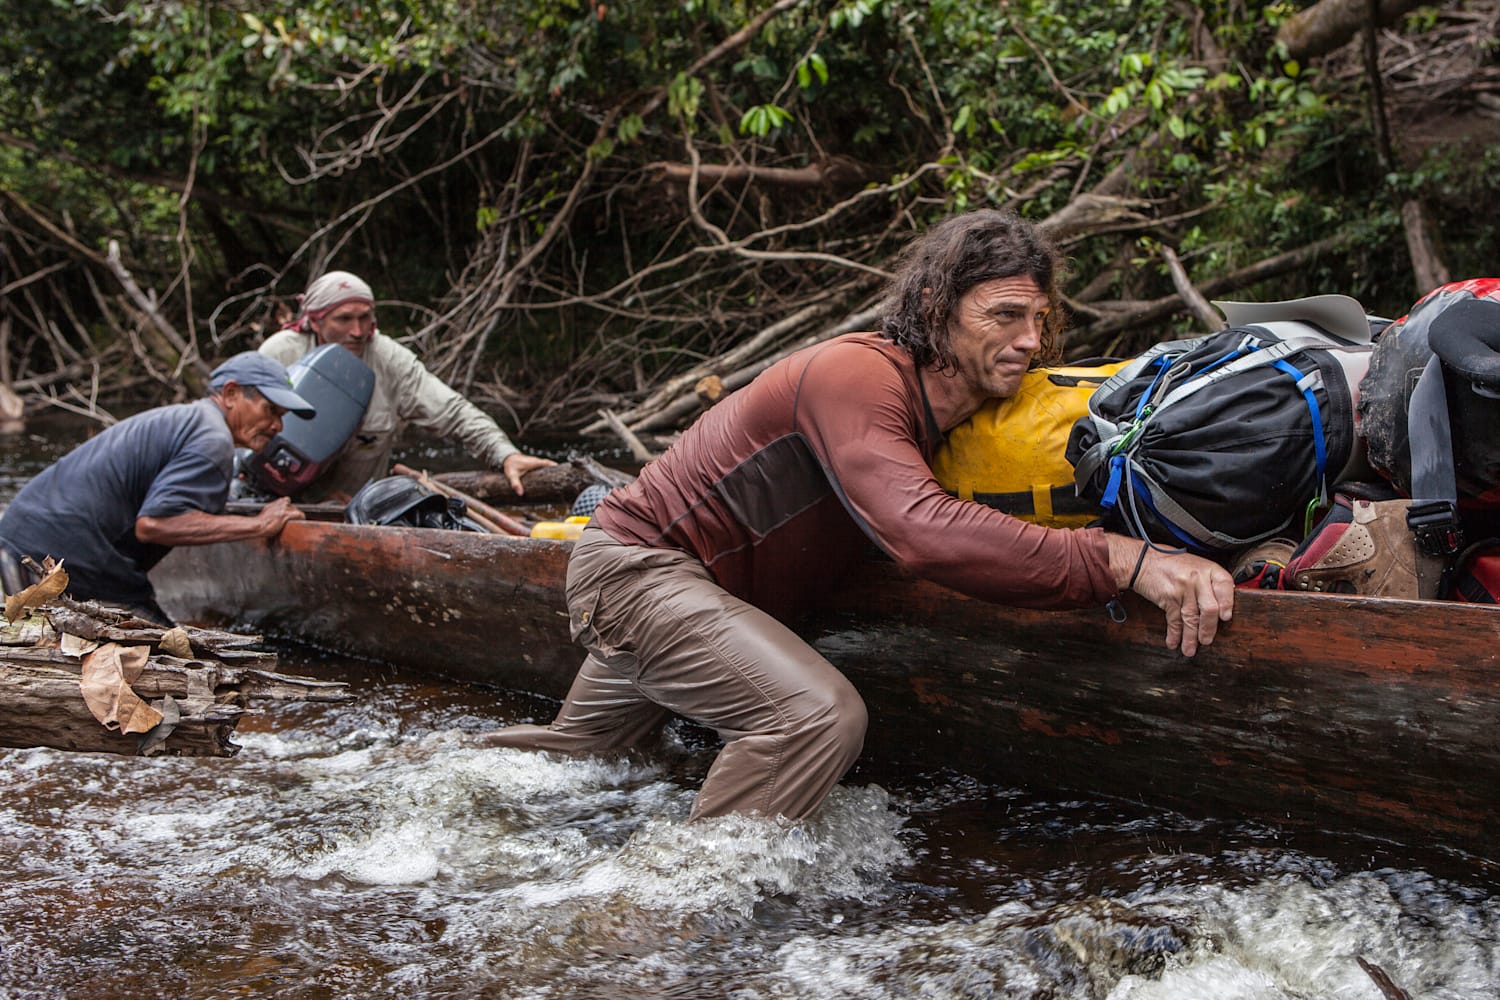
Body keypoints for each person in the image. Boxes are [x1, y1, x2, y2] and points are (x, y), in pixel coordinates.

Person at [482, 209, 1235, 821]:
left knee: (576, 765)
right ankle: (684, 920)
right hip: (641, 574)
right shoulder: (855, 373)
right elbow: (920, 530)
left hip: (710, 601)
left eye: (1039, 318)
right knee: (814, 718)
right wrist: (1124, 562)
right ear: (938, 311)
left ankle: (420, 769)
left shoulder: (963, 415)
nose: (1031, 341)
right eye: (1005, 316)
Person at [0, 353, 315, 624]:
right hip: (53, 560)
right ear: (231, 394)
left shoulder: (192, 420)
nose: (278, 426)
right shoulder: (212, 439)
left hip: (19, 541)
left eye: (282, 416)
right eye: (270, 410)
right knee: (174, 659)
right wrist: (259, 525)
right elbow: (154, 524)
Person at [259, 270, 555, 500]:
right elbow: (236, 423)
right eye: (344, 319)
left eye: (365, 318)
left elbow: (451, 410)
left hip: (353, 510)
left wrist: (505, 453)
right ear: (315, 321)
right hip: (275, 500)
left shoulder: (387, 358)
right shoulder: (279, 354)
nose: (357, 331)